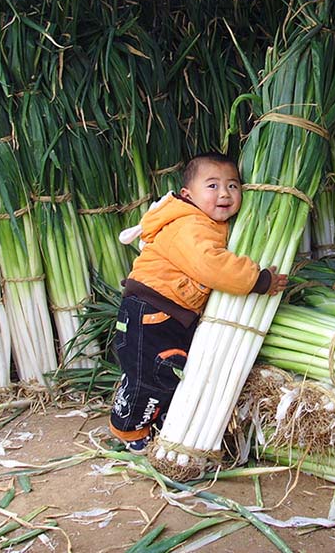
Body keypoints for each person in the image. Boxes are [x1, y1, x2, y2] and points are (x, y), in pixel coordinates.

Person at [109, 152, 287, 454]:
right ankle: (128, 430)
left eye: (233, 186)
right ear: (187, 194)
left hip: (165, 313)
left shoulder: (204, 223)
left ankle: (151, 418)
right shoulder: (188, 225)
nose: (224, 194)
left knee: (164, 369)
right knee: (153, 373)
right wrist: (258, 280)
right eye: (213, 186)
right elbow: (211, 266)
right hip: (152, 312)